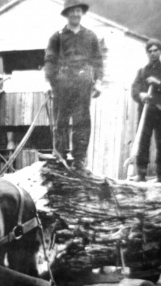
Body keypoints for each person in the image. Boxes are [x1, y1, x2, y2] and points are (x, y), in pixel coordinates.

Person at [44, 0, 103, 173]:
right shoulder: (57, 36)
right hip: (62, 82)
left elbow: (97, 61)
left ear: (81, 13)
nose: (76, 14)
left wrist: (98, 81)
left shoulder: (90, 36)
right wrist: (48, 82)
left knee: (82, 121)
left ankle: (79, 159)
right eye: (72, 11)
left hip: (83, 82)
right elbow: (50, 60)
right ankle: (60, 155)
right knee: (60, 120)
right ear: (67, 14)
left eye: (78, 11)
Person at [131, 39, 161, 183]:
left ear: (160, 51)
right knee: (143, 142)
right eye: (150, 51)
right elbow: (134, 90)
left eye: (155, 50)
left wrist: (158, 84)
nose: (152, 53)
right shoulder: (142, 71)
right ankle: (141, 174)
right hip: (145, 111)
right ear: (147, 53)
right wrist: (141, 95)